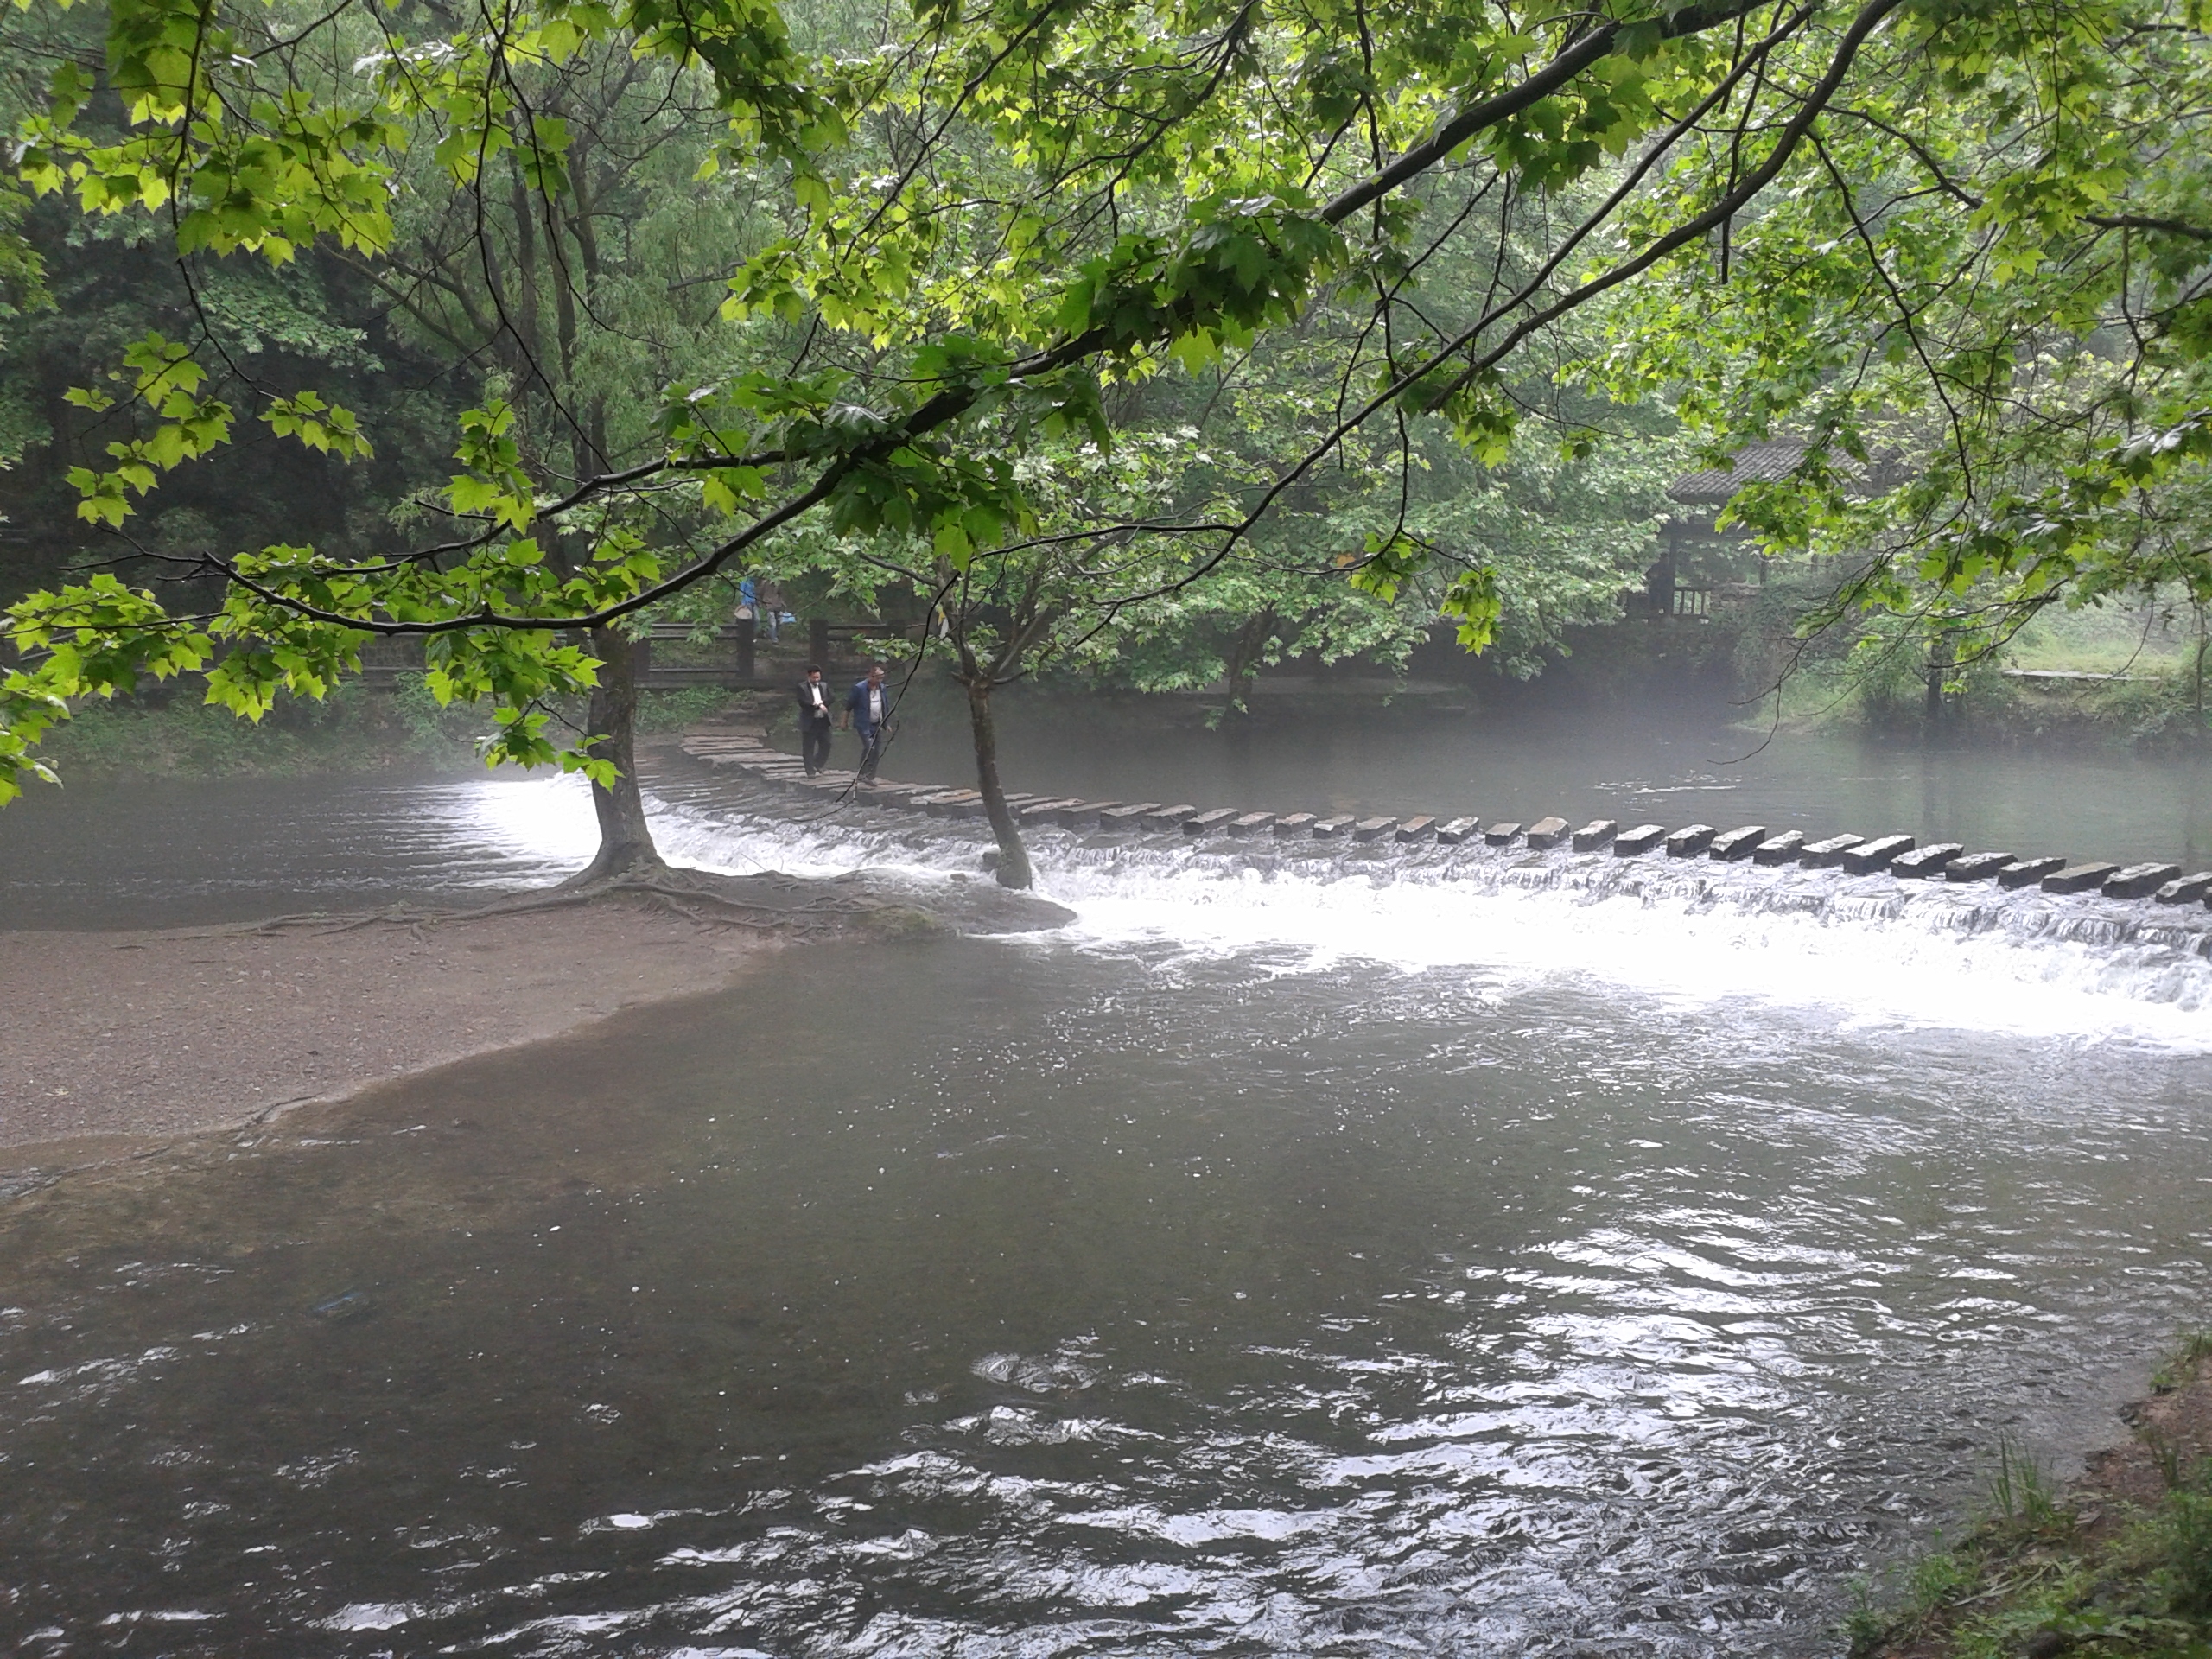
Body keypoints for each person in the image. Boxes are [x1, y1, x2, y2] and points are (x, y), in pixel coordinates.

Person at [844, 663, 891, 784]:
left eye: (882, 678)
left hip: (877, 724)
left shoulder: (882, 688)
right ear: (870, 676)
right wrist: (844, 722)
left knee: (877, 750)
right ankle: (863, 774)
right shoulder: (859, 688)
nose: (880, 680)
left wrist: (886, 724)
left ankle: (869, 775)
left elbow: (884, 705)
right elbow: (849, 706)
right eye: (878, 677)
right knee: (870, 747)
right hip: (864, 724)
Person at [795, 664, 834, 775]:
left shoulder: (824, 686)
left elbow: (832, 697)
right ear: (809, 676)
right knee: (808, 747)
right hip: (810, 721)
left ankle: (817, 763)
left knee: (827, 744)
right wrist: (816, 706)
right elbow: (803, 702)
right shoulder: (801, 687)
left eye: (818, 677)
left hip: (823, 721)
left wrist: (823, 704)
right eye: (814, 678)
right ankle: (810, 771)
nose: (816, 680)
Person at [734, 576, 758, 677]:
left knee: (756, 620)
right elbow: (741, 592)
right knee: (746, 620)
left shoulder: (753, 582)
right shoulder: (744, 581)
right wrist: (743, 604)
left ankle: (753, 635)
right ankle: (749, 637)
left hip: (753, 602)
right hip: (746, 603)